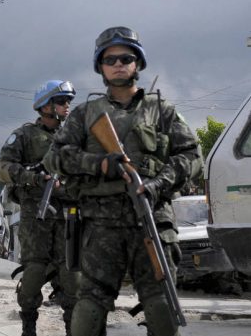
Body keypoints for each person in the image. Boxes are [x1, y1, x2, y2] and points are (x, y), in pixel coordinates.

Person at [43, 26, 202, 336]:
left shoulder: (162, 112)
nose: (118, 64)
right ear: (100, 67)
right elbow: (54, 158)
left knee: (161, 308)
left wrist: (158, 184)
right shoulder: (86, 115)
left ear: (137, 64)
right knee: (88, 309)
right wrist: (99, 163)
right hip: (101, 226)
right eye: (109, 59)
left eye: (125, 58)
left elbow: (192, 156)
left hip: (152, 220)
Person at [0, 79, 80, 336]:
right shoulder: (24, 136)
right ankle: (29, 326)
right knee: (34, 271)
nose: (67, 106)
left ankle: (72, 328)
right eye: (62, 101)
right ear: (45, 106)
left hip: (69, 215)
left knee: (71, 275)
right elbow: (3, 168)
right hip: (37, 214)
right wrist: (33, 177)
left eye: (69, 102)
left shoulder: (73, 138)